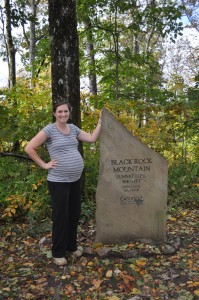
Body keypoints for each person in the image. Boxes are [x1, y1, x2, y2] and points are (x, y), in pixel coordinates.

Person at [25, 101, 102, 266]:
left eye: (65, 111)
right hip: (58, 181)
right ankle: (58, 252)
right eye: (59, 111)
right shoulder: (49, 130)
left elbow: (91, 138)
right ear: (54, 113)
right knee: (60, 217)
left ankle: (71, 246)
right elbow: (29, 148)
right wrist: (44, 164)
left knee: (74, 214)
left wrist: (101, 122)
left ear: (69, 112)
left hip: (75, 180)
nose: (63, 114)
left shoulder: (73, 128)